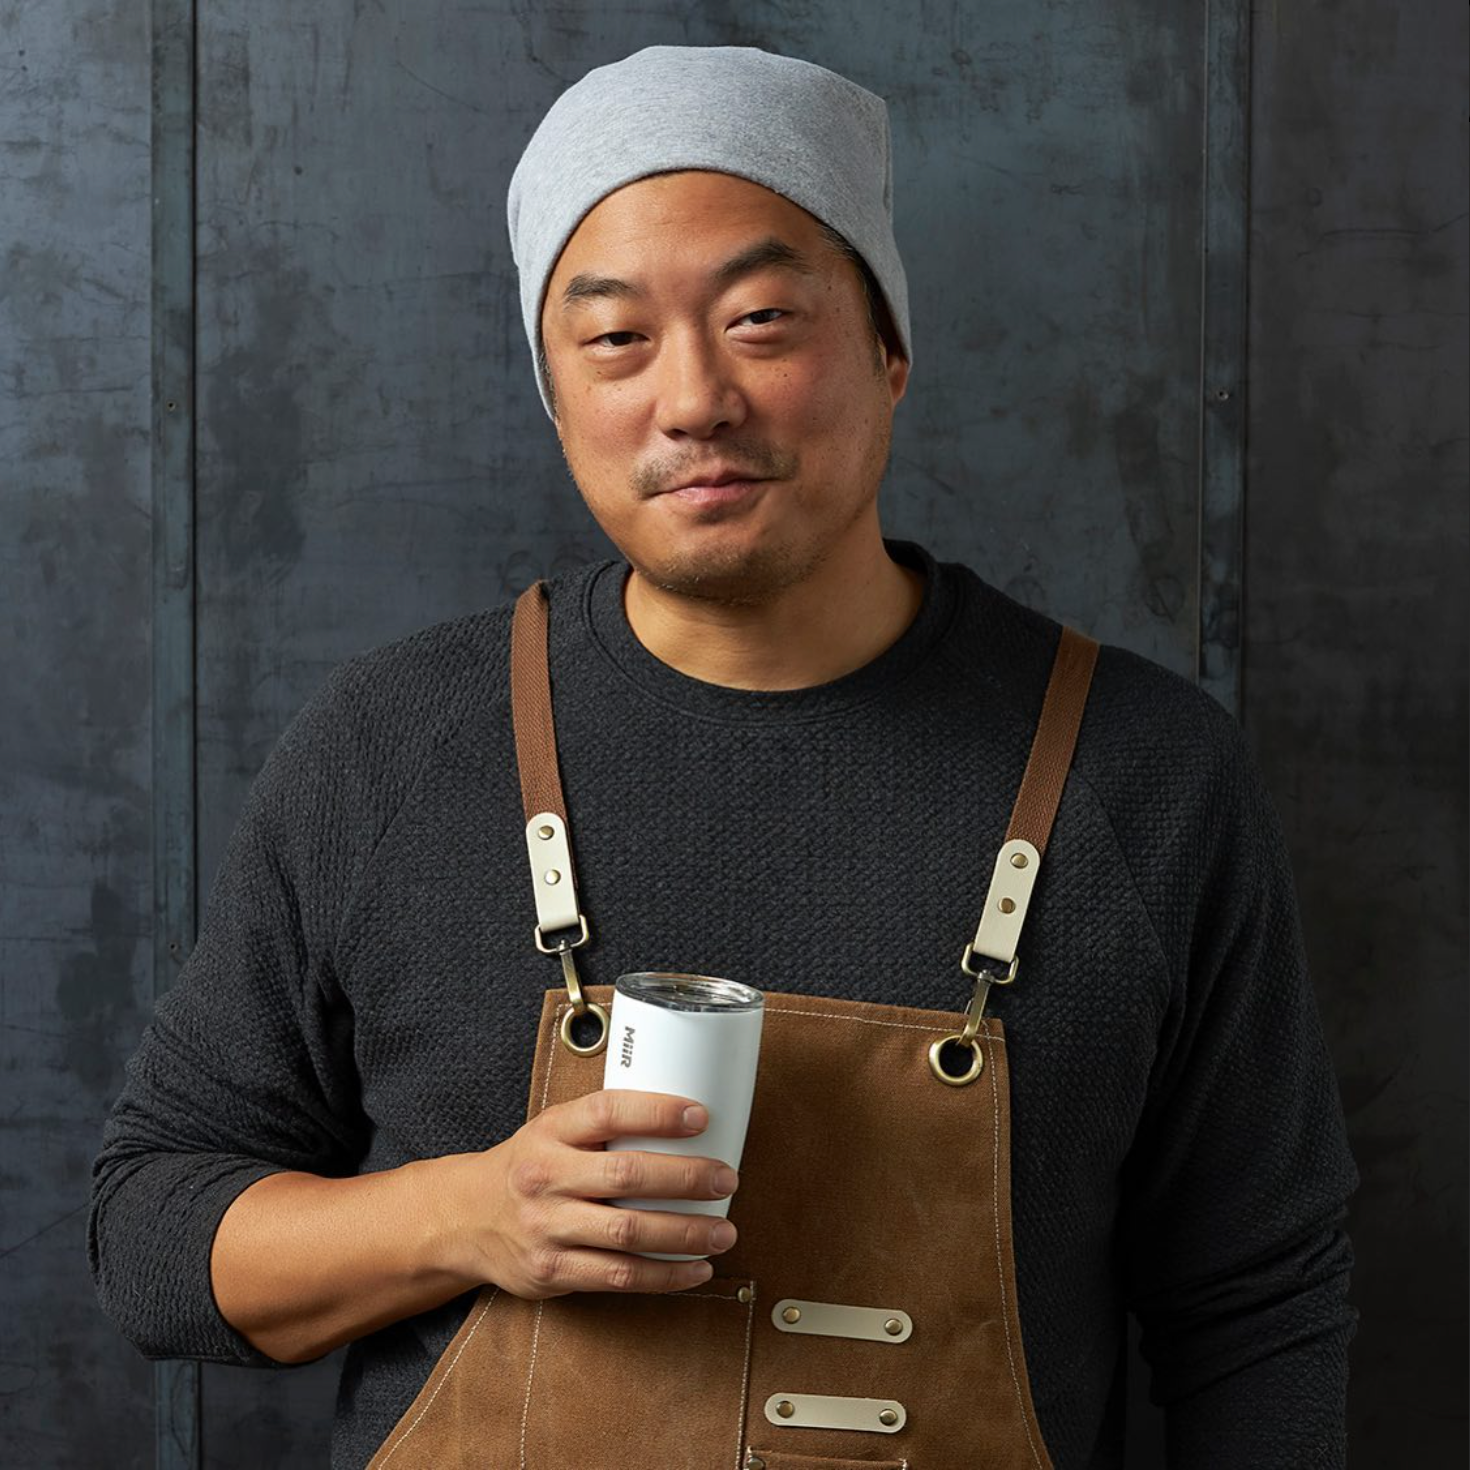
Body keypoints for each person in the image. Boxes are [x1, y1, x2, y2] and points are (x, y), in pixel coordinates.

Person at [91, 44, 1357, 1469]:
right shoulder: (392, 748)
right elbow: (149, 1237)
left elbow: (1261, 1312)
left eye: (760, 319)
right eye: (615, 339)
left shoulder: (1146, 776)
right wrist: (469, 1214)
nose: (693, 399)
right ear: (556, 393)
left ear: (888, 350)